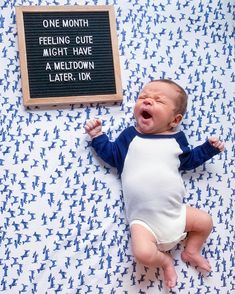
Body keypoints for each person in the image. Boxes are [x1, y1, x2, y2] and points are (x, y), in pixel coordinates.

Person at [84, 79, 224, 288]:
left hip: (176, 213)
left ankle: (192, 250)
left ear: (175, 120)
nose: (147, 101)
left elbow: (188, 161)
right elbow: (113, 155)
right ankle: (165, 261)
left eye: (158, 100)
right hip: (144, 223)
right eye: (143, 98)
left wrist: (208, 149)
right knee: (142, 253)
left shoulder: (177, 140)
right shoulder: (130, 136)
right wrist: (97, 136)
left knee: (205, 222)